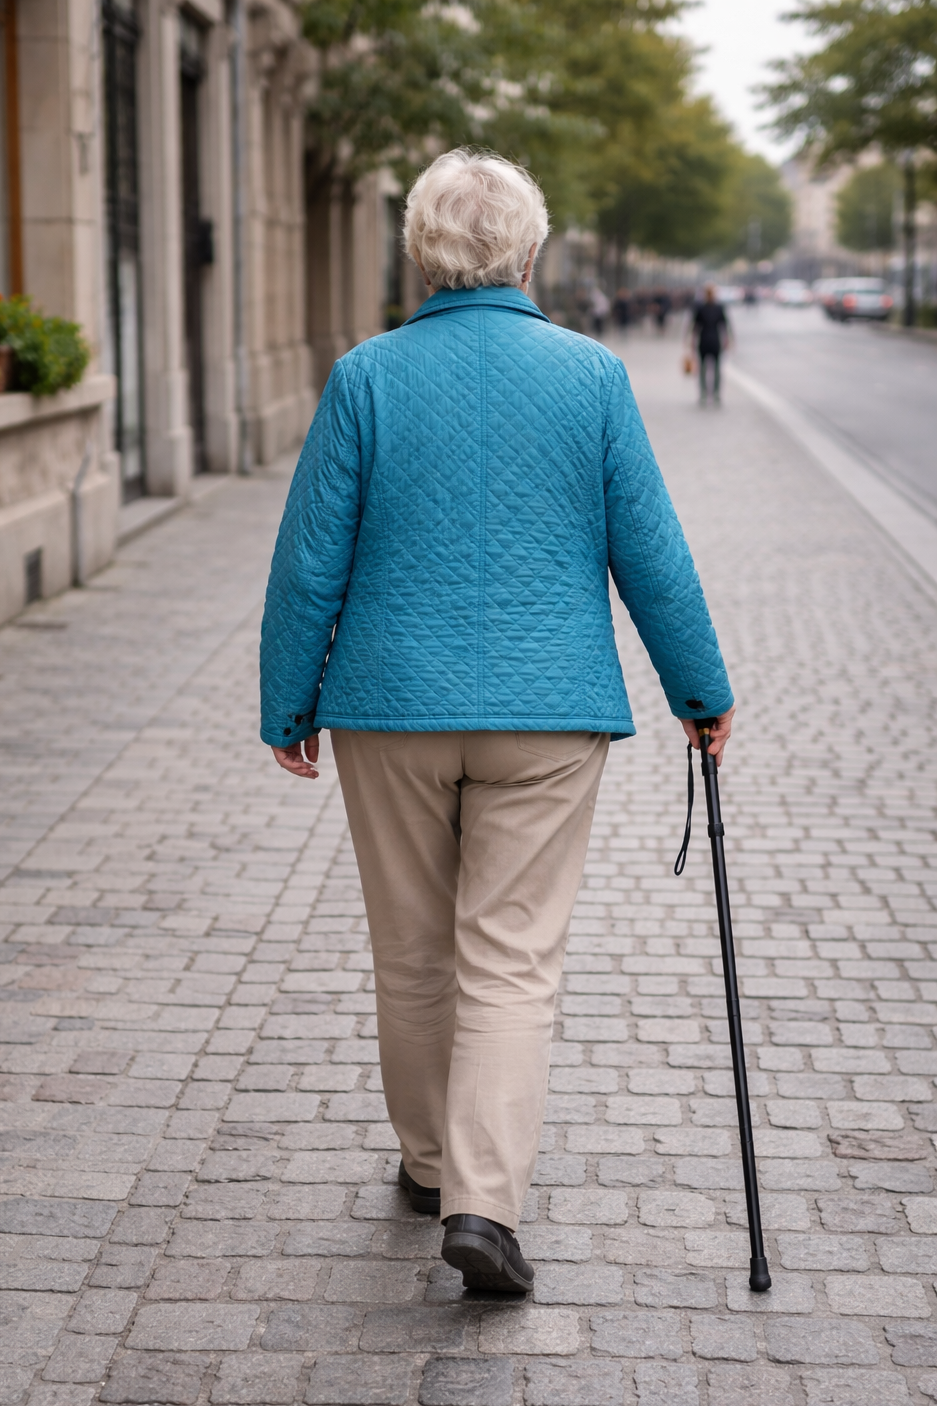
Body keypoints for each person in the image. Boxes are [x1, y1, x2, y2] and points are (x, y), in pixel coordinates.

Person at [259, 149, 734, 1295]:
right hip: (546, 711)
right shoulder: (591, 375)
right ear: (530, 253)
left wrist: (288, 701)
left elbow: (309, 558)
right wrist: (700, 692)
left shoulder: (365, 376)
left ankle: (430, 1164)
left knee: (412, 950)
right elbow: (650, 552)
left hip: (390, 707)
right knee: (511, 961)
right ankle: (483, 1202)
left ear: (421, 255)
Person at [689, 283, 730, 404]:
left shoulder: (711, 307)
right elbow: (723, 326)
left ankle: (709, 393)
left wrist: (691, 340)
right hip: (710, 340)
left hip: (708, 340)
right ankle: (709, 393)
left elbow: (695, 327)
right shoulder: (707, 307)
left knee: (710, 369)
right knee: (709, 369)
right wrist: (727, 339)